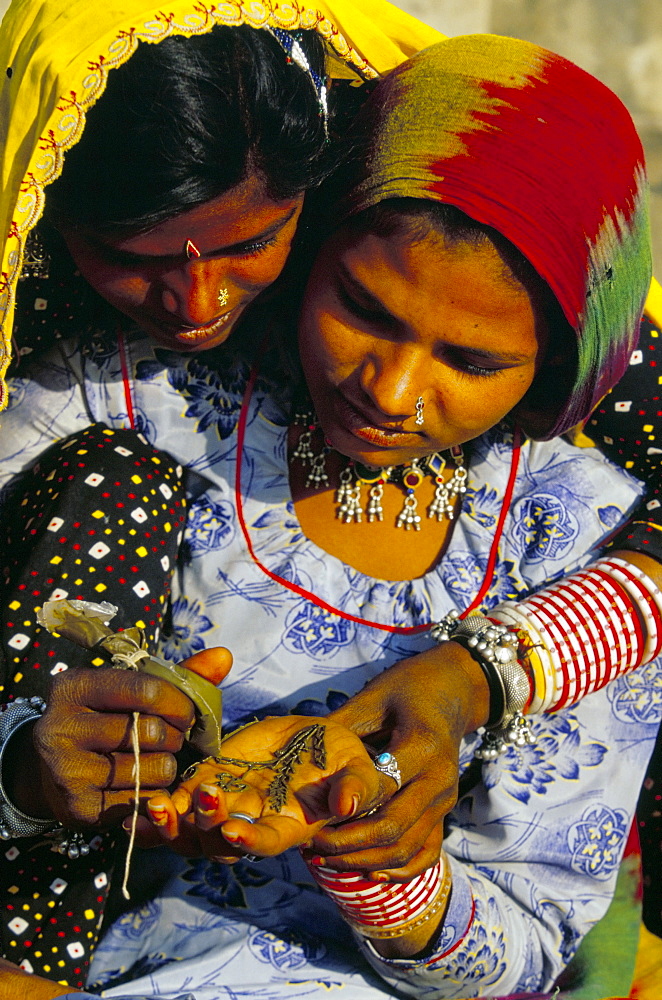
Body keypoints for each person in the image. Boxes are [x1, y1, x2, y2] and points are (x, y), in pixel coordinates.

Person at [2, 31, 661, 998]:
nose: (391, 389)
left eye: (471, 363)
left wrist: (386, 866)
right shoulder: (128, 397)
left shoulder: (575, 540)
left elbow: (523, 951)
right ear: (316, 236)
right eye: (362, 306)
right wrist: (27, 768)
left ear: (563, 365)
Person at [0, 0, 443, 994]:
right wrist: (21, 773)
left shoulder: (416, 248)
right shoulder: (31, 306)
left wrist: (477, 675)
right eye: (138, 258)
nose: (198, 306)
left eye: (256, 241)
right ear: (39, 204)